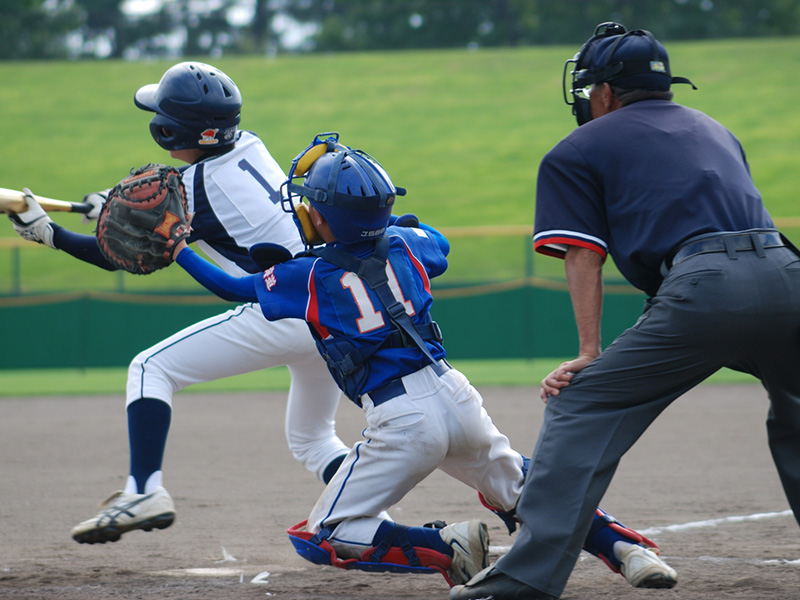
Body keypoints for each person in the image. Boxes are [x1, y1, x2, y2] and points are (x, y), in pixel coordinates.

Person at [172, 132, 678, 588]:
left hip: (401, 418)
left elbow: (230, 286)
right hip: (456, 396)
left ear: (323, 215)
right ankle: (627, 550)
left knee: (323, 536)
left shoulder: (307, 274)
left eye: (311, 205)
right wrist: (379, 219)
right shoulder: (411, 244)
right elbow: (437, 241)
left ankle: (445, 548)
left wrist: (179, 249)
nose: (305, 210)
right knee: (528, 491)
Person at [450, 22, 800, 600]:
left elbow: (585, 255)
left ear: (605, 93)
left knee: (582, 403)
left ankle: (523, 581)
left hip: (705, 287)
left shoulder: (579, 147)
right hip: (786, 273)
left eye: (589, 90)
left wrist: (590, 353)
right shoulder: (716, 130)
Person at [7, 62, 350, 544]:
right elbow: (176, 195)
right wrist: (104, 203)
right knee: (314, 438)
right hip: (326, 309)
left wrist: (51, 235)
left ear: (167, 131)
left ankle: (143, 489)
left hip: (279, 309)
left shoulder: (198, 189)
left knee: (150, 369)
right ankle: (370, 517)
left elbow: (119, 253)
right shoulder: (248, 145)